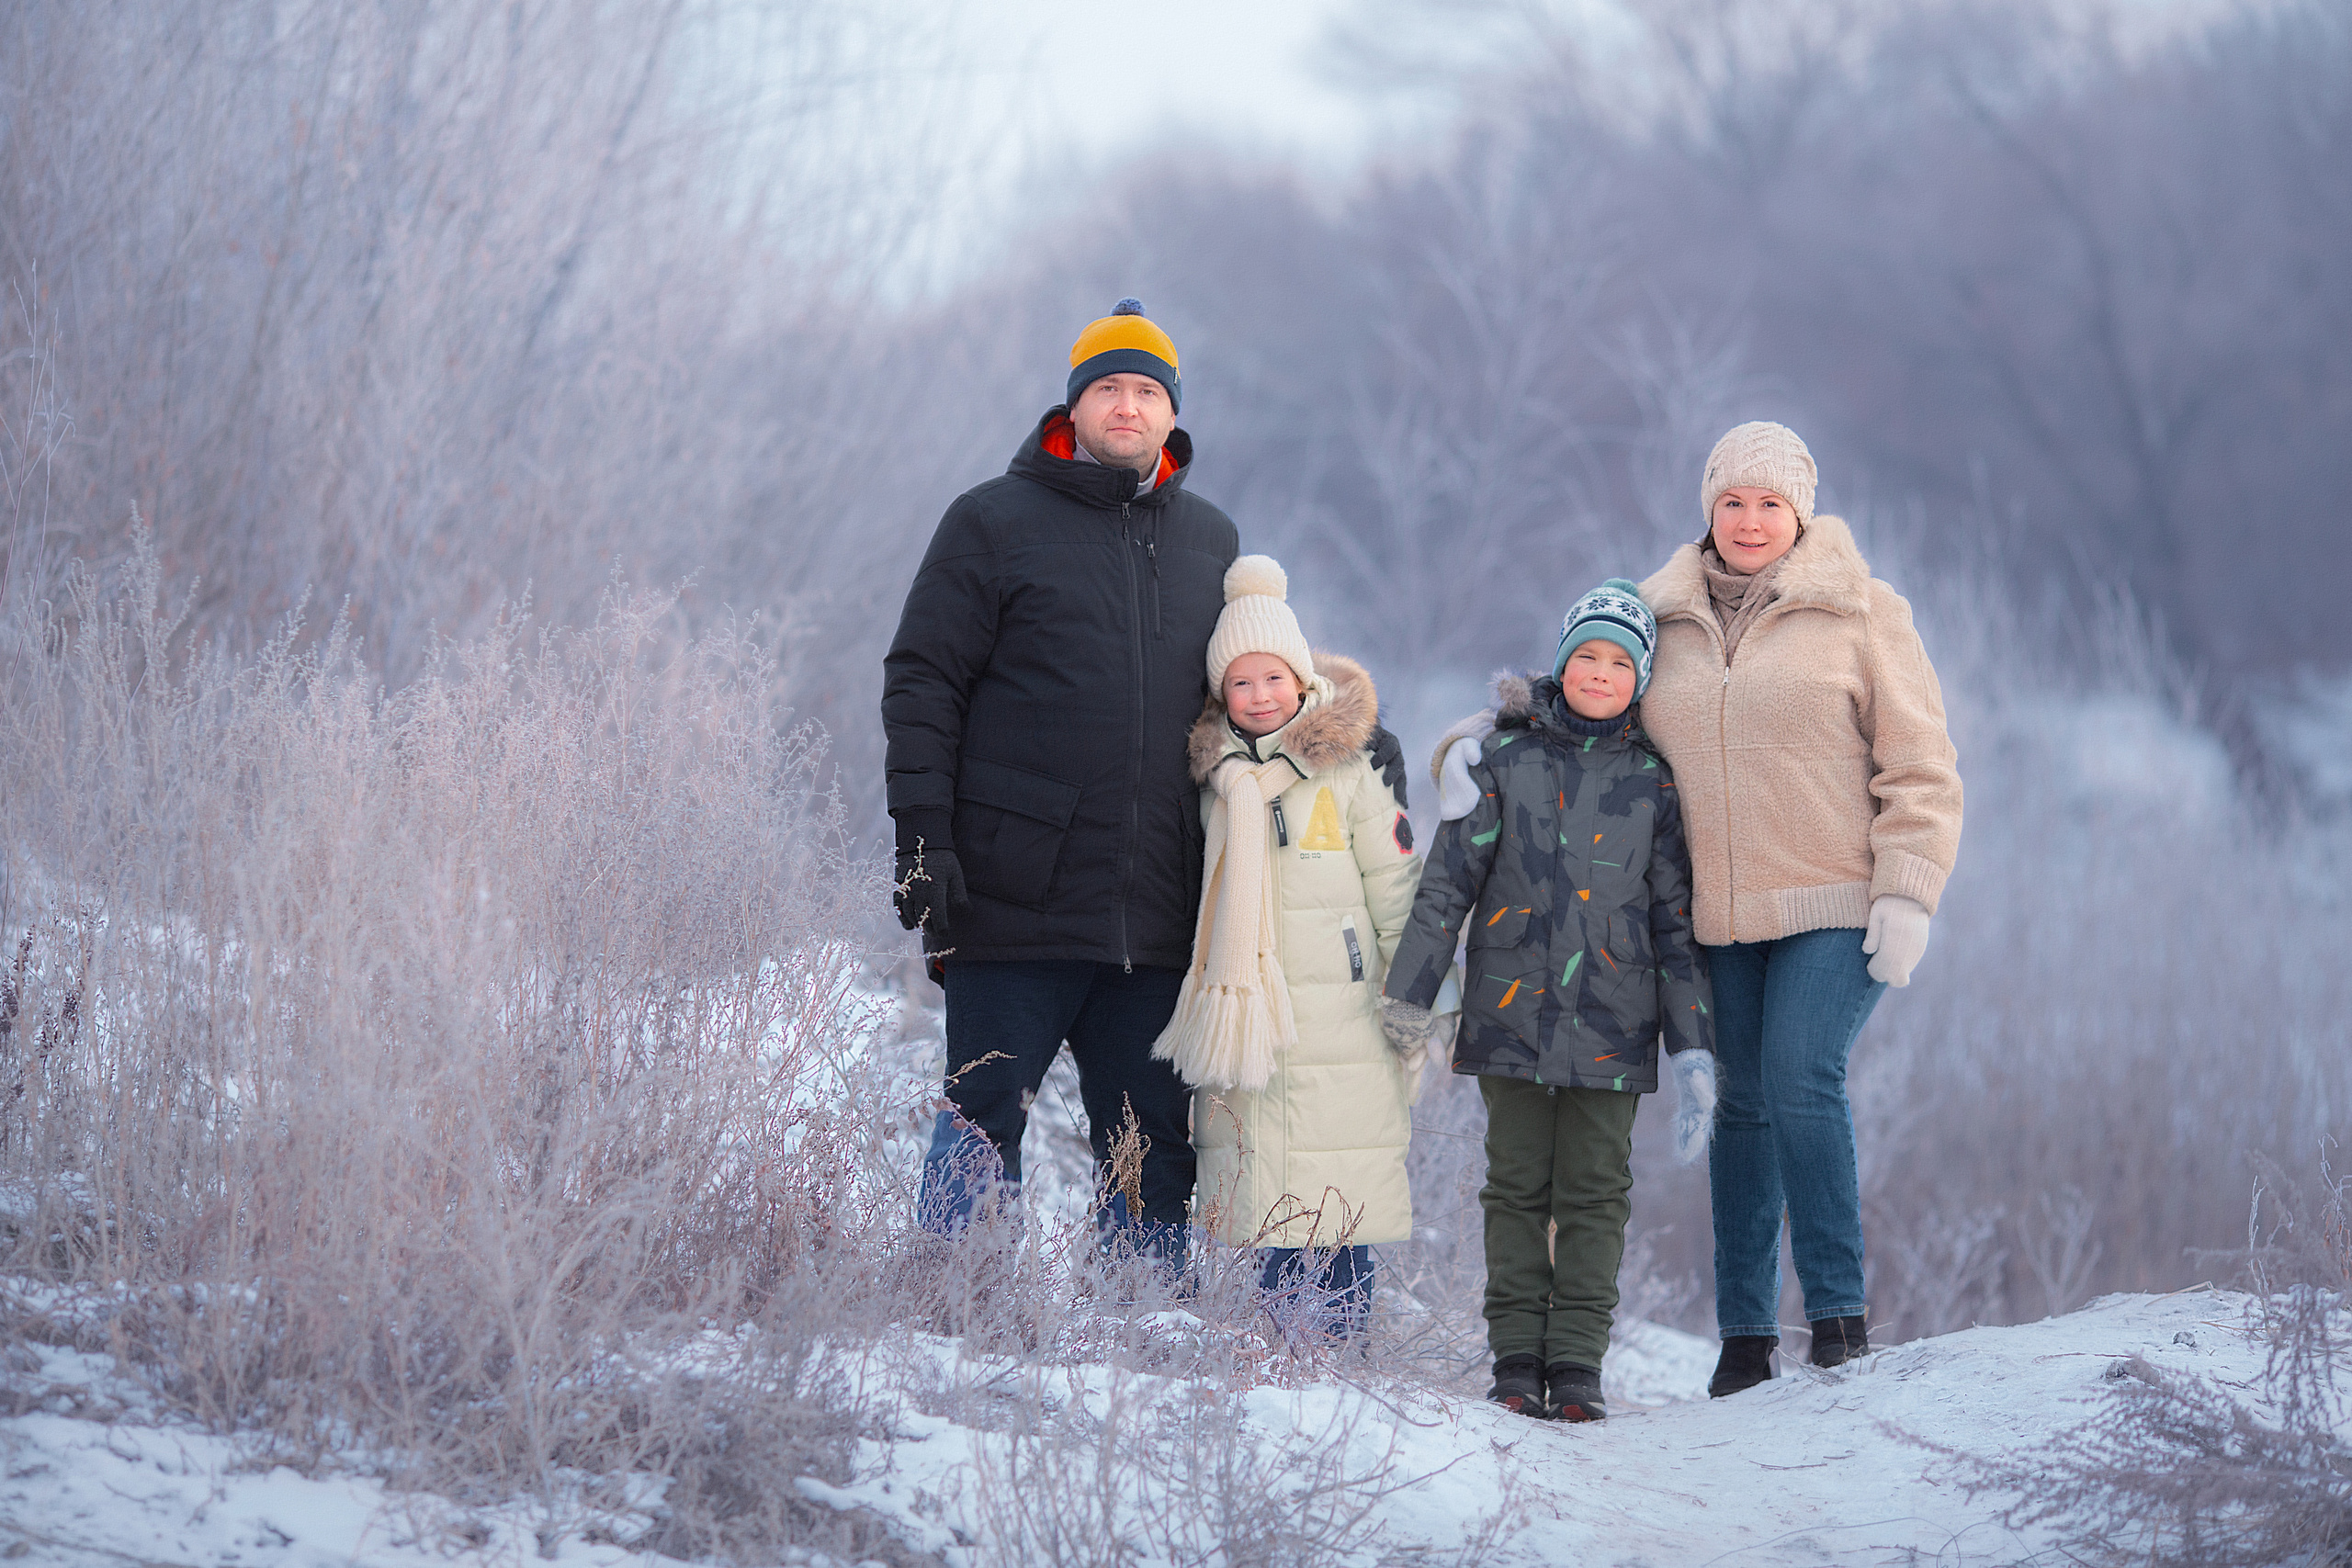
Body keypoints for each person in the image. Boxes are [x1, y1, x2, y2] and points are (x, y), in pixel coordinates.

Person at [879, 299, 1237, 1265]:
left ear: (1172, 415)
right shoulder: (992, 521)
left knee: (1149, 1141)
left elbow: (1254, 700)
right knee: (983, 1112)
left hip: (1158, 910)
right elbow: (922, 679)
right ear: (1073, 407)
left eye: (1147, 391)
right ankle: (951, 1310)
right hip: (1011, 894)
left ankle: (1143, 1330)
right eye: (1108, 389)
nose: (1128, 406)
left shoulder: (1212, 540)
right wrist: (923, 841)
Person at [1636, 421, 1962, 1395]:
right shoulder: (1659, 615)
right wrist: (1501, 725)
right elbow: (1590, 698)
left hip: (1835, 903)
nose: (1748, 520)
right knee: (1739, 1101)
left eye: (1769, 503)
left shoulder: (1862, 611)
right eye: (1731, 501)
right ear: (1708, 507)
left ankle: (1837, 1319)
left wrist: (1908, 893)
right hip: (1715, 912)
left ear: (1800, 512)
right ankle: (1743, 1340)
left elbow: (1921, 767)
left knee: (1796, 1076)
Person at [1381, 581, 1716, 1422]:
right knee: (1518, 1187)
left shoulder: (1654, 784)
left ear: (1639, 681)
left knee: (1597, 1192)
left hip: (1614, 1024)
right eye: (1586, 656)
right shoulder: (1501, 762)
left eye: (1618, 662)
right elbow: (1445, 886)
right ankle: (1516, 1363)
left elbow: (1675, 923)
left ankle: (1575, 1365)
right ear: (1561, 663)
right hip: (1511, 1016)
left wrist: (1694, 1048)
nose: (1599, 673)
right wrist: (1411, 997)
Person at [1152, 556, 1423, 1338]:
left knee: (1339, 1206)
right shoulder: (1215, 782)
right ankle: (1281, 1364)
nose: (1261, 695)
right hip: (1250, 1025)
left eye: (1274, 677)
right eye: (1242, 682)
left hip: (1342, 1020)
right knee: (1272, 1202)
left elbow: (1396, 884)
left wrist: (1414, 998)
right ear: (1221, 695)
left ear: (1301, 679)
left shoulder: (1349, 767)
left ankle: (1339, 1360)